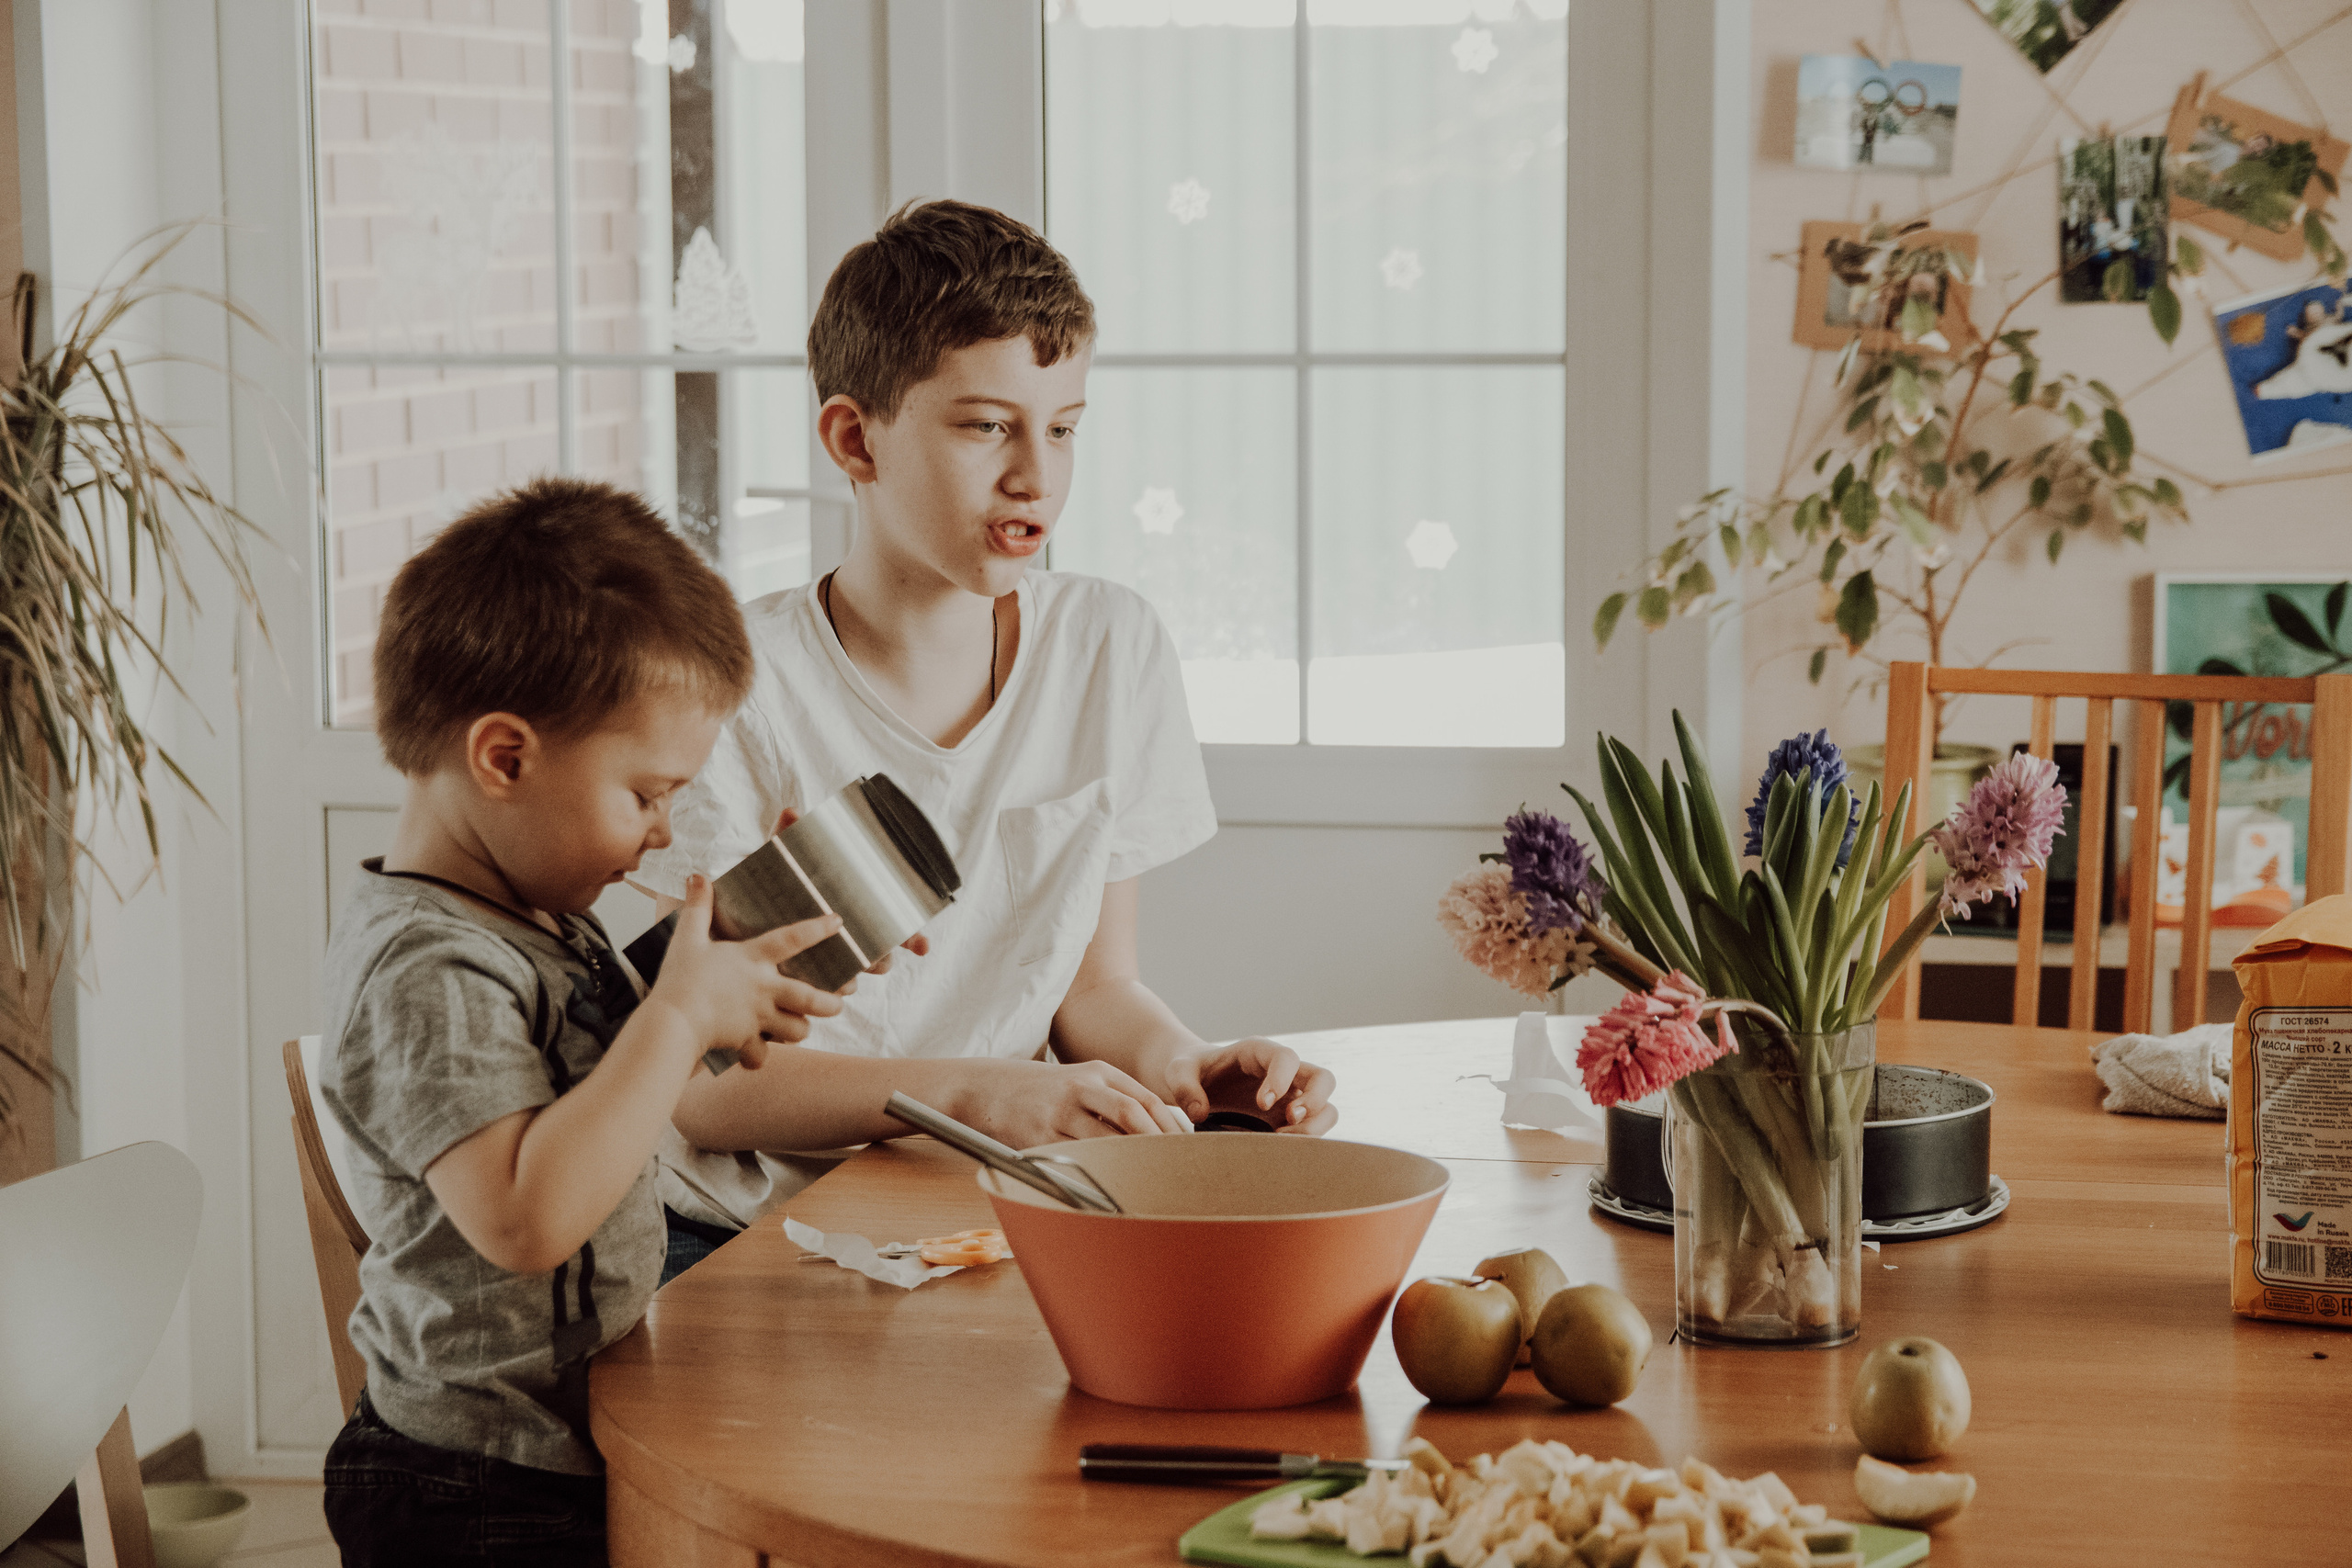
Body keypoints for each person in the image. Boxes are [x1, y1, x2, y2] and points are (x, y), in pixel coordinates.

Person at [637, 199, 1337, 1271]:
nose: (1036, 476)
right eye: (984, 426)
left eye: (1062, 427)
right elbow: (701, 1086)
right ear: (852, 438)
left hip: (976, 1220)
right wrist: (972, 1088)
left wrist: (1184, 1064)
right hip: (737, 1233)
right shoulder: (728, 683)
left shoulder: (1110, 644)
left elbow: (1094, 989)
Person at [318, 479, 847, 1566]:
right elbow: (524, 1217)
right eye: (648, 794)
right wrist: (678, 1019)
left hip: (568, 1438)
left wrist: (744, 945)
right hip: (468, 1479)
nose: (661, 835)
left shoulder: (536, 916)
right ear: (505, 759)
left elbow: (623, 1065)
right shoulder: (426, 968)